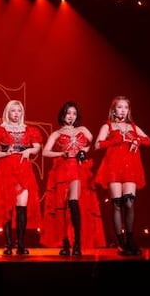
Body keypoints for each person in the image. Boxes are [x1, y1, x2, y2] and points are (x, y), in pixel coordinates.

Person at [40, 101, 106, 256]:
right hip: (62, 169)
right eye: (68, 113)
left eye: (74, 114)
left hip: (78, 169)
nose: (71, 116)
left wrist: (84, 151)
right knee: (62, 207)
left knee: (74, 203)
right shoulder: (56, 134)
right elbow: (45, 152)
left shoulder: (82, 130)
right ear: (63, 115)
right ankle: (65, 243)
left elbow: (93, 144)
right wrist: (61, 153)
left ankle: (77, 243)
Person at [0, 100, 43, 255]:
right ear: (7, 112)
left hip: (24, 170)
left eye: (19, 111)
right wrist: (5, 153)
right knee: (7, 207)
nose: (16, 114)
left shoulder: (29, 130)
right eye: (13, 110)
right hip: (6, 169)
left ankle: (20, 244)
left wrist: (29, 151)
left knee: (22, 208)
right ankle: (8, 245)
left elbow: (37, 147)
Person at [94, 96, 150, 256]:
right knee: (117, 204)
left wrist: (137, 140)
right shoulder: (108, 125)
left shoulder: (132, 126)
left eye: (125, 107)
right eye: (120, 107)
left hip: (131, 167)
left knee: (129, 202)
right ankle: (121, 243)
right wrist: (116, 140)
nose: (123, 110)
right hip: (113, 166)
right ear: (113, 110)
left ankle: (130, 240)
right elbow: (98, 144)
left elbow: (149, 140)